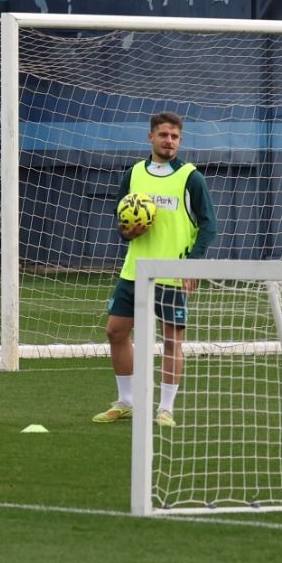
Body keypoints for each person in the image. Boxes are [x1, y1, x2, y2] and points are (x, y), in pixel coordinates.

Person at [93, 111, 215, 427]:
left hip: (172, 273)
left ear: (180, 139)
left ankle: (165, 408)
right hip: (135, 270)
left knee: (172, 340)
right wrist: (126, 232)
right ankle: (126, 402)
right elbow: (120, 219)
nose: (169, 141)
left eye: (175, 136)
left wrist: (192, 266)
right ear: (151, 137)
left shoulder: (191, 177)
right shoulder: (133, 174)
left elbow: (208, 225)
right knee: (115, 331)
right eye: (163, 135)